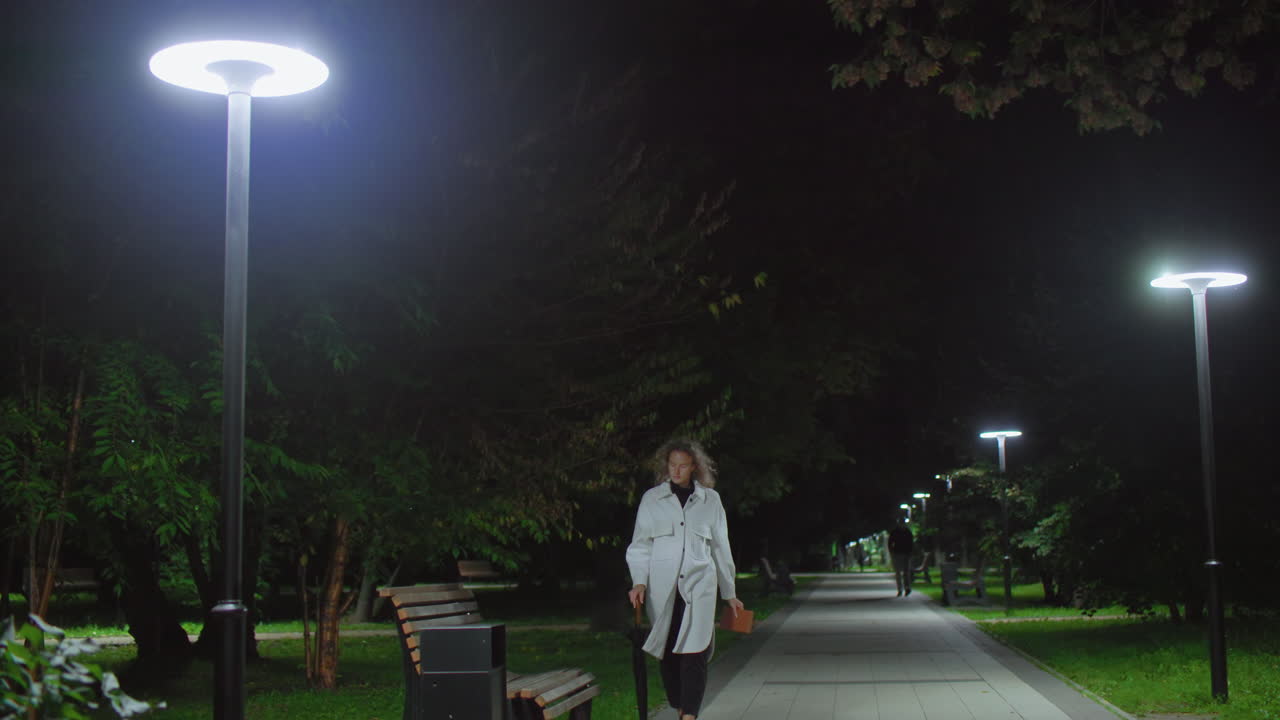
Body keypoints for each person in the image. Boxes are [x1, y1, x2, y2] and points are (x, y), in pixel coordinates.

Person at [627, 439, 744, 720]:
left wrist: (730, 593)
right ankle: (680, 704)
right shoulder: (652, 500)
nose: (677, 471)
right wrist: (639, 581)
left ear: (694, 466)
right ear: (666, 466)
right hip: (662, 589)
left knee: (695, 651)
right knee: (668, 652)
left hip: (700, 585)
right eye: (672, 465)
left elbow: (720, 547)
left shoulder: (710, 500)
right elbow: (641, 545)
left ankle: (689, 714)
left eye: (683, 465)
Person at [888, 521, 914, 596]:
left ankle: (907, 588)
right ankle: (900, 589)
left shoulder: (907, 532)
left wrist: (910, 553)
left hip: (906, 554)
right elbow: (890, 542)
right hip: (897, 554)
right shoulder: (895, 532)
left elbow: (911, 543)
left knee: (906, 572)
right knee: (898, 572)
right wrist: (891, 552)